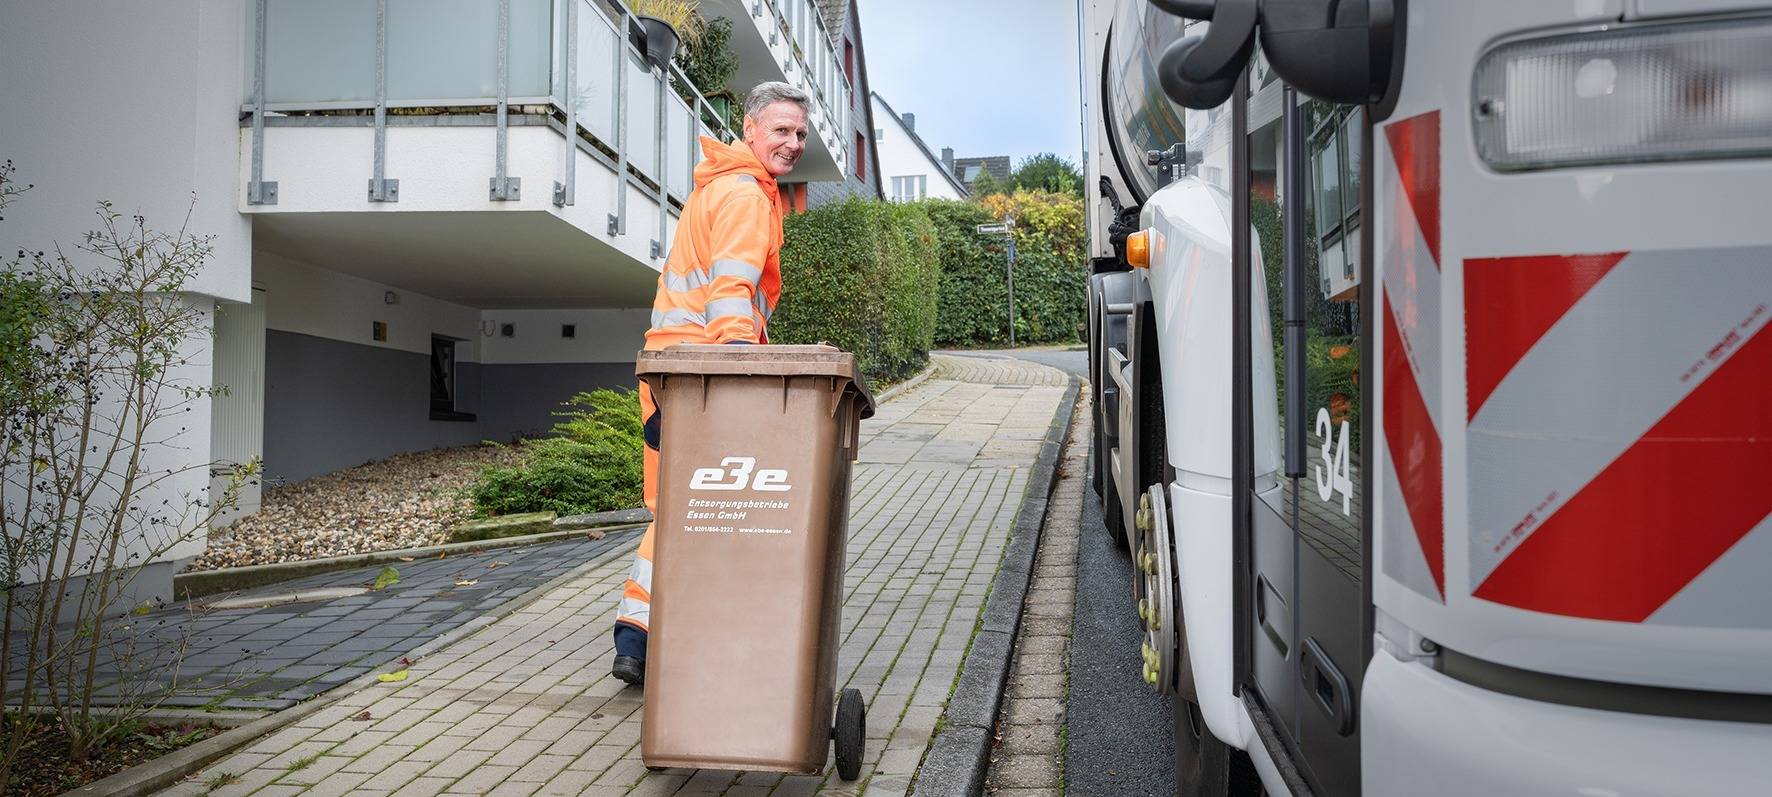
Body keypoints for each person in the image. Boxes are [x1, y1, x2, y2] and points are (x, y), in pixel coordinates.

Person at [610, 81, 811, 686]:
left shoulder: (713, 189)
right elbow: (730, 291)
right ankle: (696, 635)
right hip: (702, 378)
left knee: (676, 508)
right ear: (749, 130)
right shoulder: (748, 196)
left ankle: (637, 638)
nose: (793, 143)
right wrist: (743, 369)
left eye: (800, 133)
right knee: (718, 507)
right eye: (781, 130)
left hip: (666, 375)